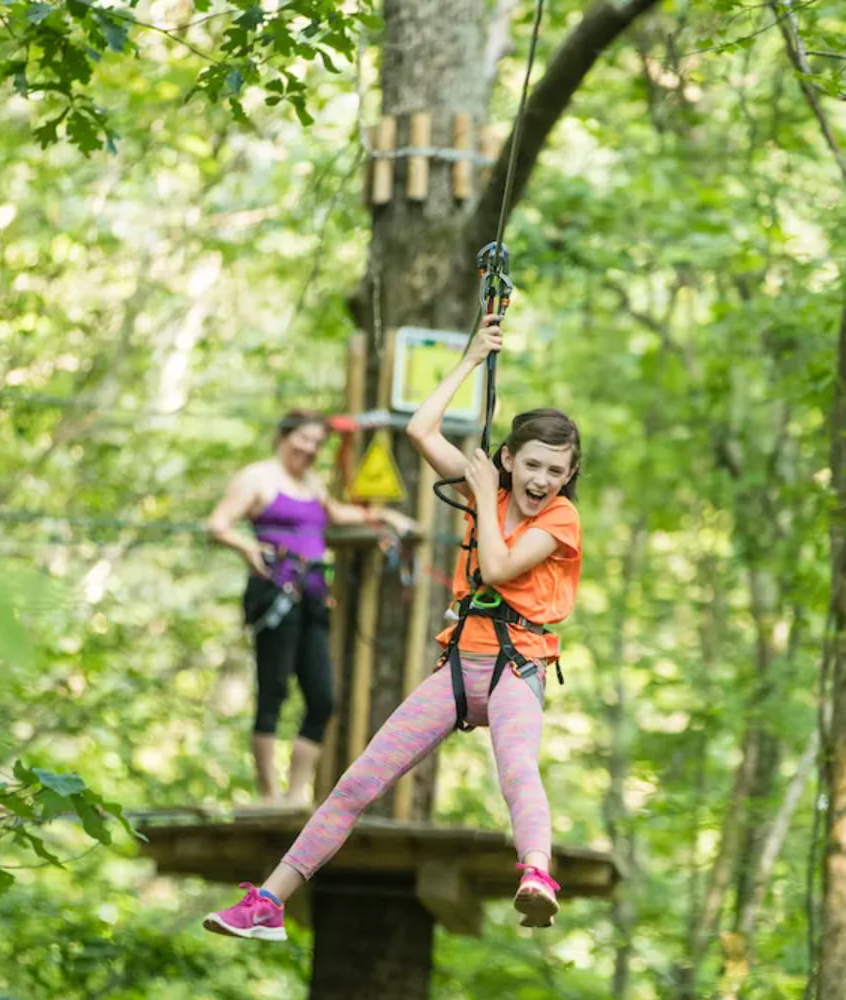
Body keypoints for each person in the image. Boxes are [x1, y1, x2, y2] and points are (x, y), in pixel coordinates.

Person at [204, 315, 582, 937]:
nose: (542, 481)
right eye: (533, 465)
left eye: (556, 471)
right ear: (509, 458)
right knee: (356, 783)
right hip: (461, 666)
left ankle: (537, 875)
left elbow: (497, 565)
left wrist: (486, 495)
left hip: (518, 665)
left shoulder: (560, 520)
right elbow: (418, 429)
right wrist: (468, 359)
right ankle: (269, 901)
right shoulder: (488, 484)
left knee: (517, 771)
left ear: (568, 477)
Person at [208, 409, 415, 808]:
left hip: (315, 596)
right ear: (284, 436)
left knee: (322, 698)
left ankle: (296, 794)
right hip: (276, 594)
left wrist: (382, 517)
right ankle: (270, 796)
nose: (310, 449)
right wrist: (248, 547)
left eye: (317, 443)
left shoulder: (311, 483)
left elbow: (336, 514)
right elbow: (217, 525)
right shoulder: (257, 478)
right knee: (274, 690)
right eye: (303, 439)